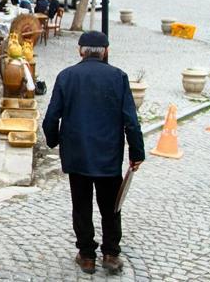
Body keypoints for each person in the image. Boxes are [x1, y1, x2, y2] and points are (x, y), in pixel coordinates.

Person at [42, 31, 145, 276]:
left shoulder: (66, 76)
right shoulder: (118, 77)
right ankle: (110, 253)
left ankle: (87, 255)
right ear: (106, 51)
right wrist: (136, 151)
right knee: (111, 206)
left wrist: (54, 141)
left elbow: (50, 119)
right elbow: (130, 120)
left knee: (81, 205)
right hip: (108, 156)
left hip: (77, 155)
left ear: (80, 50)